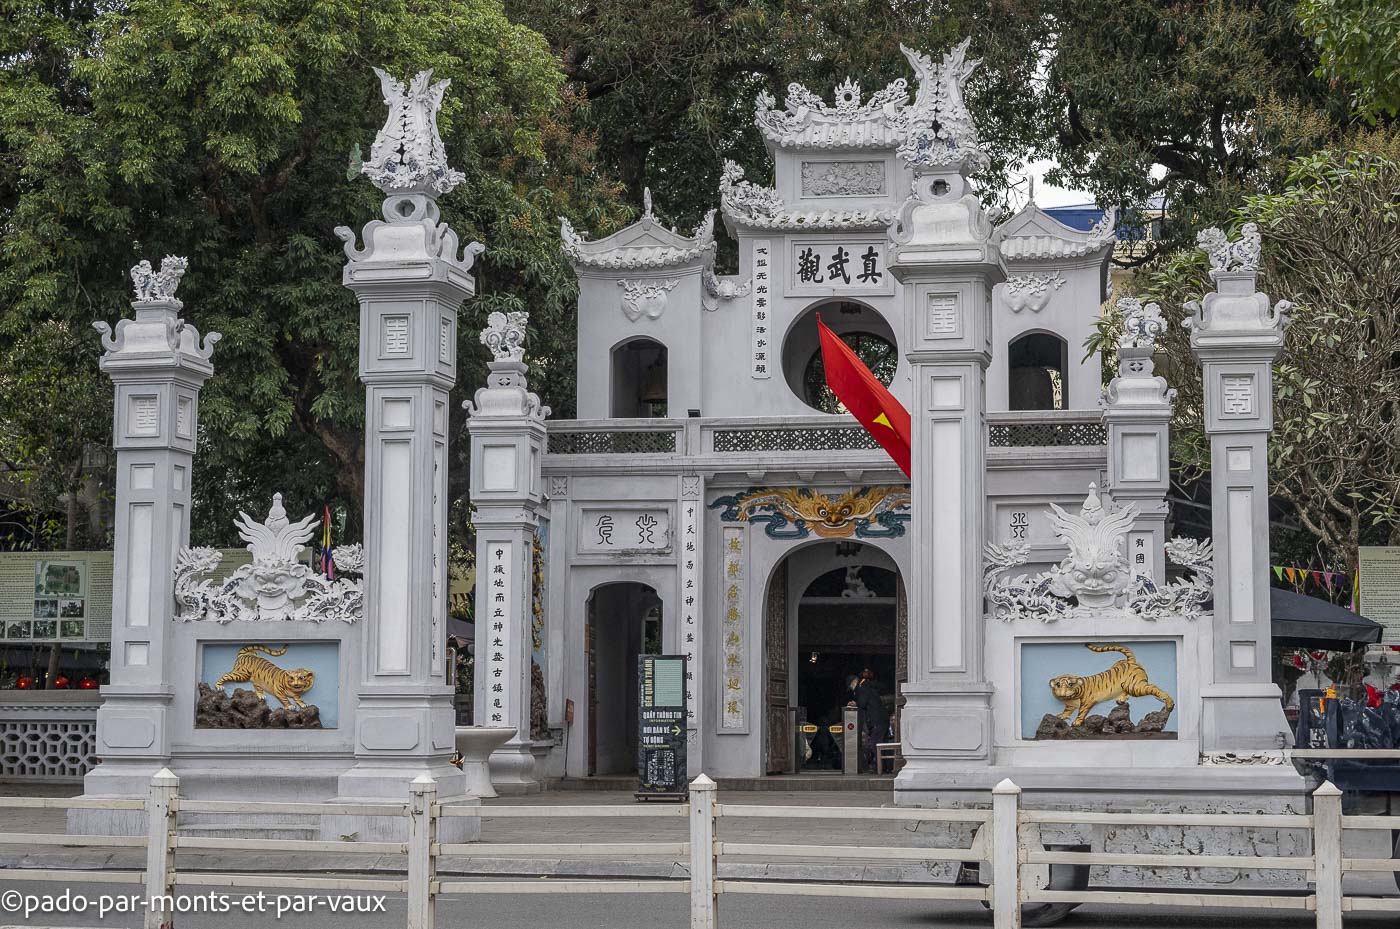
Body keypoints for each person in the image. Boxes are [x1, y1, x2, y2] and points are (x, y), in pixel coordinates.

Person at [854, 669, 889, 773]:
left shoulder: (863, 689)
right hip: (883, 718)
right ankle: (885, 767)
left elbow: (862, 703)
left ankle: (879, 767)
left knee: (875, 743)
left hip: (877, 720)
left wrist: (855, 702)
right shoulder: (873, 688)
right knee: (882, 743)